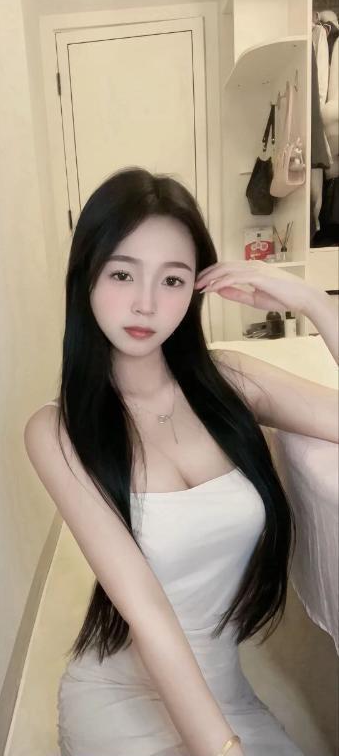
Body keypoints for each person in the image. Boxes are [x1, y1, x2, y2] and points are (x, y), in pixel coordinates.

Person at [24, 167, 338, 756]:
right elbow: (147, 611)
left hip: (221, 692)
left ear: (197, 287)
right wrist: (222, 750)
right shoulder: (58, 431)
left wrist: (313, 302)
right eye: (122, 273)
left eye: (172, 279)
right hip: (119, 699)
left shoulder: (229, 380)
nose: (146, 304)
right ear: (86, 276)